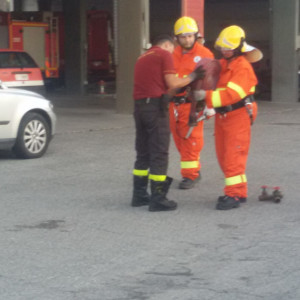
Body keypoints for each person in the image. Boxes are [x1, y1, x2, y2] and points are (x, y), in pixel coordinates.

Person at [131, 34, 205, 212]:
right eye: (173, 49)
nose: (173, 54)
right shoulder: (163, 54)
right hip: (155, 109)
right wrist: (193, 76)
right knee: (159, 152)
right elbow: (172, 82)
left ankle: (139, 195)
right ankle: (158, 198)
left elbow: (155, 84)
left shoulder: (142, 57)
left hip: (139, 108)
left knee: (143, 152)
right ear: (167, 45)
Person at [196, 25, 263, 210]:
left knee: (233, 156)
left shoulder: (243, 68)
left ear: (239, 47)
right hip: (225, 115)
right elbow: (217, 85)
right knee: (224, 156)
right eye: (223, 48)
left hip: (238, 115)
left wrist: (205, 97)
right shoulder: (225, 64)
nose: (225, 51)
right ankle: (239, 191)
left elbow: (231, 94)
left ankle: (233, 195)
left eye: (229, 48)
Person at [169, 16, 214, 189]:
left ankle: (191, 175)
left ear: (195, 35)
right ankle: (193, 168)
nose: (187, 39)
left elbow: (210, 84)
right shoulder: (172, 55)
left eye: (190, 35)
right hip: (174, 104)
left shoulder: (204, 54)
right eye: (183, 36)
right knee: (180, 139)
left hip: (193, 104)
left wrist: (206, 107)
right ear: (177, 38)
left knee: (190, 139)